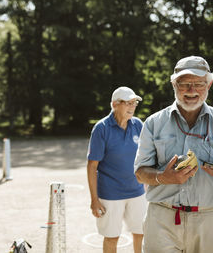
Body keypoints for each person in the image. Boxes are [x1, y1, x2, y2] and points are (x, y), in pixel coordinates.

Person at [134, 56, 213, 252]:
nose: (191, 90)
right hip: (162, 219)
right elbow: (140, 173)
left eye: (198, 84)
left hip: (209, 220)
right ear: (173, 84)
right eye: (184, 83)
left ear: (209, 84)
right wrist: (162, 177)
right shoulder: (153, 123)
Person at [87, 86, 147, 253]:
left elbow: (145, 157)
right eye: (127, 103)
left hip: (137, 191)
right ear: (114, 104)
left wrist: (147, 184)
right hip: (110, 195)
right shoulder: (101, 128)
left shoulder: (138, 125)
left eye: (134, 103)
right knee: (112, 237)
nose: (131, 107)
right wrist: (94, 199)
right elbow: (92, 167)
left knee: (141, 233)